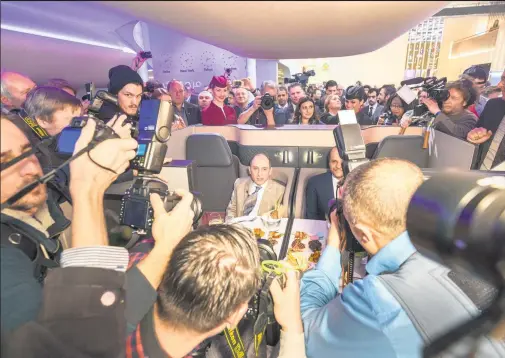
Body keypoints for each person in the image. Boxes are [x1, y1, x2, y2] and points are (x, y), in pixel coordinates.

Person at [300, 158, 505, 357]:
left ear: (364, 233)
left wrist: (334, 243)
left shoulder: (378, 298)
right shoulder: (477, 248)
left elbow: (307, 328)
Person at [0, 113, 136, 332]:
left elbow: (57, 178)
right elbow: (86, 339)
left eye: (27, 152)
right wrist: (88, 188)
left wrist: (101, 143)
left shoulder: (22, 197)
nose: (30, 170)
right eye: (4, 163)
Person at [401, 79, 478, 140]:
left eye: (454, 98)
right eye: (446, 96)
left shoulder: (470, 118)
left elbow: (458, 133)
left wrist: (438, 113)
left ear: (464, 102)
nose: (447, 100)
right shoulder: (436, 112)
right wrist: (411, 124)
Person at [225, 153, 285, 221]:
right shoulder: (239, 184)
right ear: (250, 170)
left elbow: (278, 216)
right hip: (240, 227)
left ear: (270, 171)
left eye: (264, 169)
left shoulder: (280, 191)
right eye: (255, 169)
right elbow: (231, 211)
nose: (259, 174)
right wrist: (231, 226)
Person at [467, 69, 505, 170]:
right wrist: (473, 137)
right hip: (478, 176)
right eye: (502, 79)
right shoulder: (493, 105)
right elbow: (477, 134)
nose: (499, 85)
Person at [304, 147, 344, 220]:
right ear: (329, 163)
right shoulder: (314, 183)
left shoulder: (359, 183)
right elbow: (312, 216)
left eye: (342, 162)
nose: (338, 166)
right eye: (334, 161)